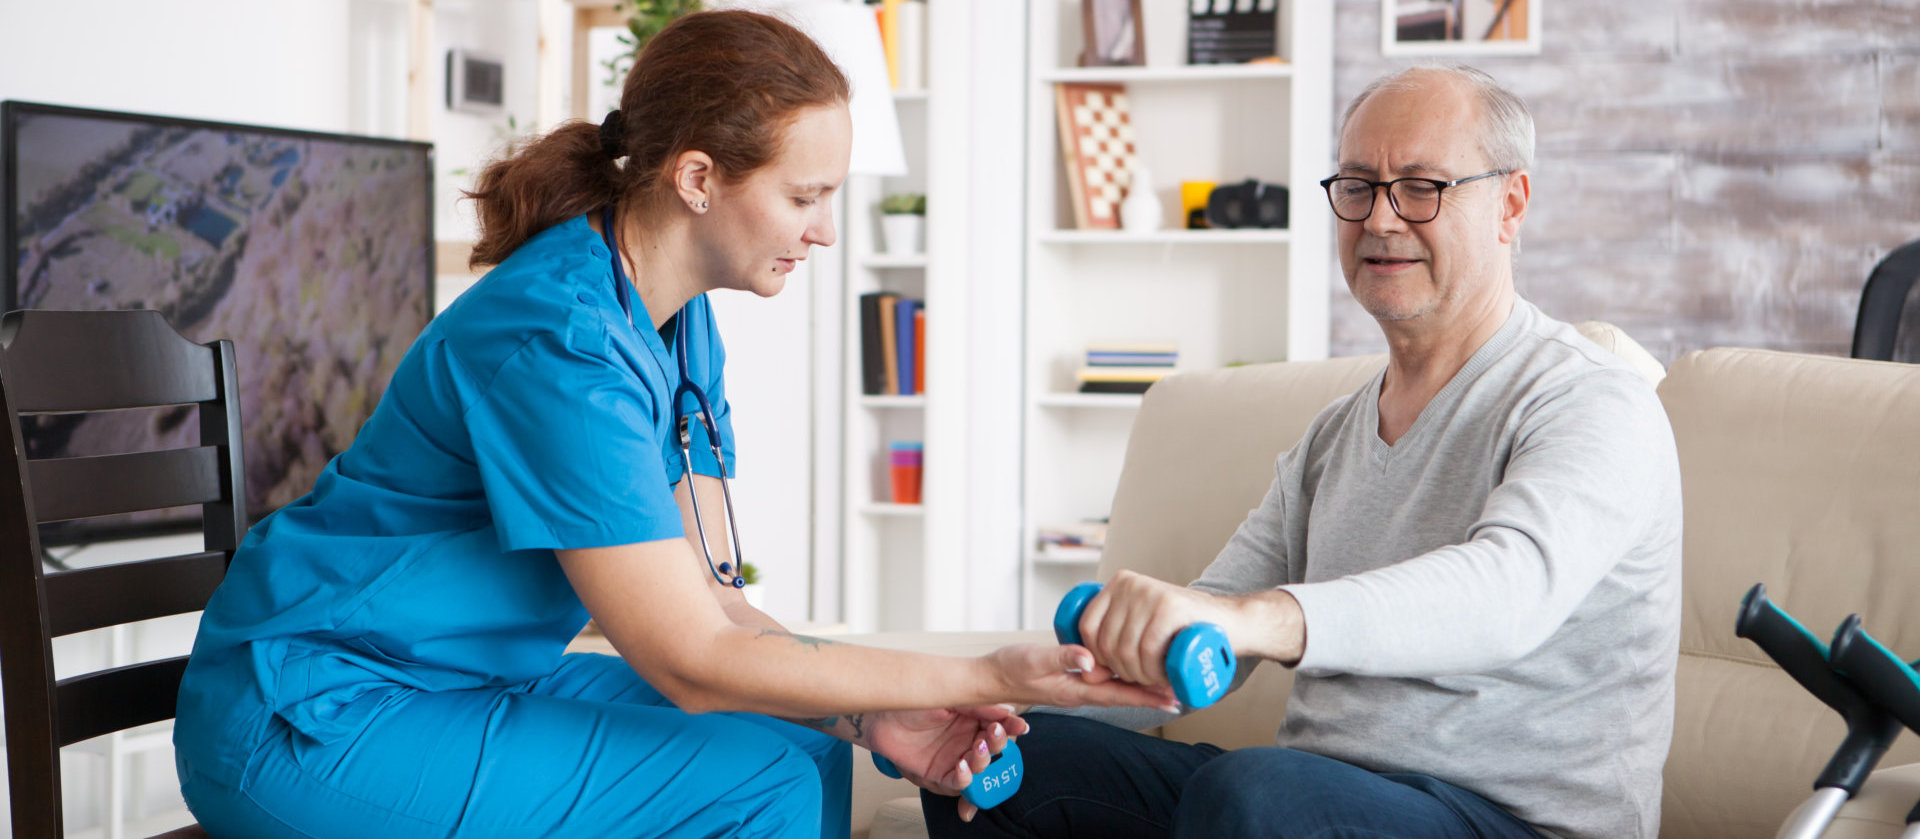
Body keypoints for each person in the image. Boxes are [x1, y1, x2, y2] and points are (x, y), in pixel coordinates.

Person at [172, 11, 1174, 839]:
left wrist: (871, 712)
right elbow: (686, 654)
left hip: (454, 683)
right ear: (698, 179)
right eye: (805, 195)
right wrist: (986, 671)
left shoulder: (675, 323)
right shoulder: (558, 338)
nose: (826, 228)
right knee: (760, 786)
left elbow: (716, 601)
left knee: (808, 746)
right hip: (312, 715)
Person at [922, 65, 1682, 839]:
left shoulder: (1592, 400)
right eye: (1358, 185)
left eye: (1421, 187)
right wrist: (1004, 693)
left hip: (1507, 820)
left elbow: (1510, 591)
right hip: (1321, 801)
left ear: (1509, 203)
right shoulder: (1334, 437)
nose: (1381, 219)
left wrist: (1258, 618)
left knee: (1259, 793)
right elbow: (1203, 635)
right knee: (995, 765)